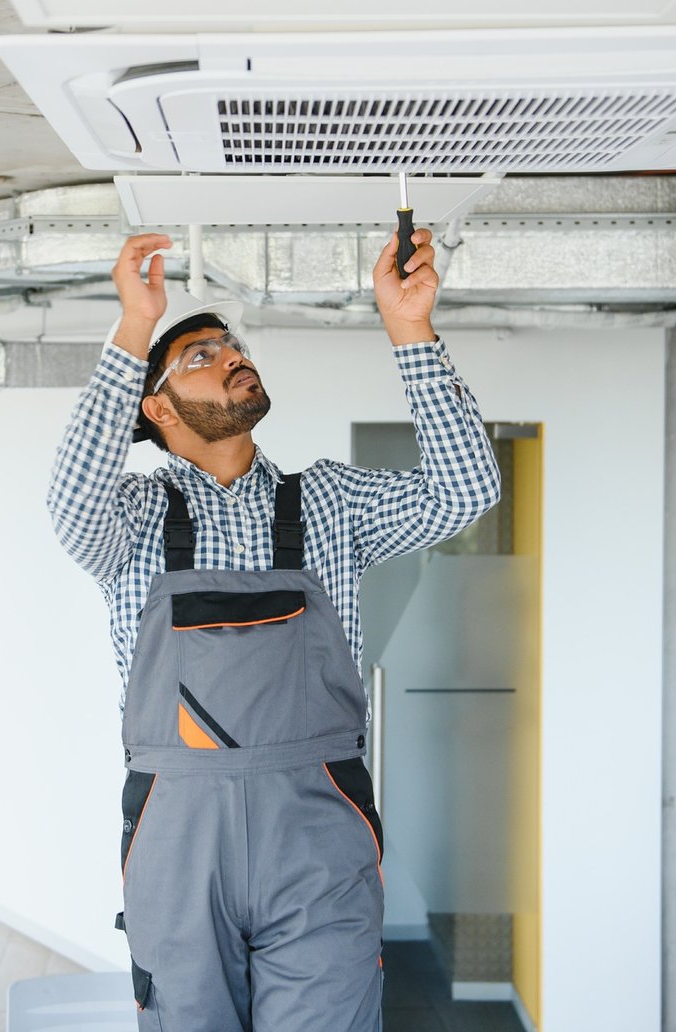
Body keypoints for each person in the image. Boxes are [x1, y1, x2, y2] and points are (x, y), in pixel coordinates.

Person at [47, 227, 501, 1031]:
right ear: (157, 410)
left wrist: (410, 331)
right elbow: (72, 501)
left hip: (317, 834)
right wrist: (132, 328)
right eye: (199, 357)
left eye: (230, 344)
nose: (229, 355)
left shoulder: (330, 501)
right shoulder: (133, 519)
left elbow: (466, 488)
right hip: (180, 843)